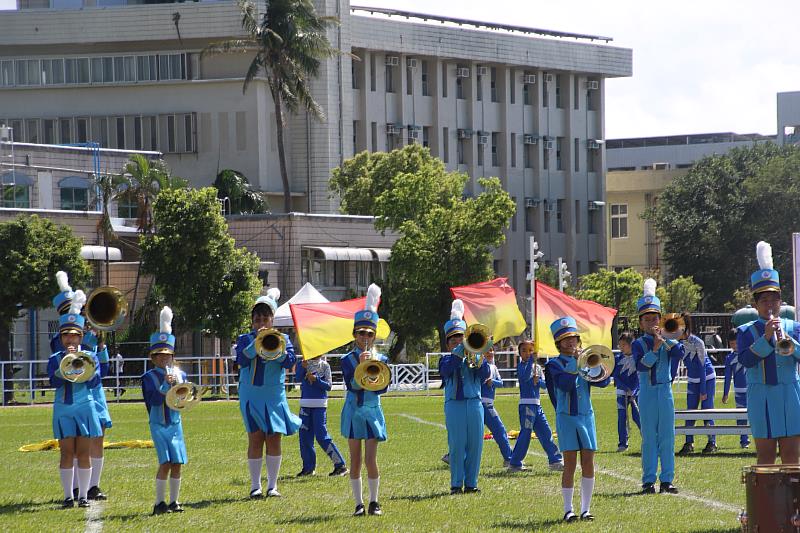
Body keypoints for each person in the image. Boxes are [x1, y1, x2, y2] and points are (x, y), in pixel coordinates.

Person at [737, 241, 800, 465]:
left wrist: (788, 339)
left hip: (790, 393)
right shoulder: (745, 331)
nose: (770, 304)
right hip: (761, 394)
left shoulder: (793, 327)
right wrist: (765, 338)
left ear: (781, 301)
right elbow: (746, 360)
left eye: (774, 299)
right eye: (764, 300)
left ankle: (792, 490)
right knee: (765, 457)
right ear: (756, 305)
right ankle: (767, 491)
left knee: (792, 456)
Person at [236, 288, 301, 498]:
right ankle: (255, 486)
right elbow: (241, 360)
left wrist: (277, 348)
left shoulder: (283, 338)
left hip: (274, 396)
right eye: (257, 319)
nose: (261, 323)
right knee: (255, 438)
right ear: (252, 321)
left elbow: (290, 362)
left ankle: (272, 486)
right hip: (251, 395)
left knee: (274, 438)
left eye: (265, 319)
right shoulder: (245, 339)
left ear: (272, 320)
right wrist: (255, 344)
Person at [547, 316, 610, 522]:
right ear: (558, 343)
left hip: (586, 416)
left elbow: (603, 382)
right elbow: (564, 384)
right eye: (565, 339)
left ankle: (585, 509)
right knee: (570, 464)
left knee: (588, 461)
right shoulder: (554, 364)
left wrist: (591, 363)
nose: (570, 342)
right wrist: (577, 363)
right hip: (567, 418)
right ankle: (568, 509)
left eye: (573, 338)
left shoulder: (584, 360)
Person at [47, 290, 103, 509]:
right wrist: (66, 364)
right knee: (66, 453)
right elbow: (54, 382)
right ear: (61, 338)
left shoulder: (91, 356)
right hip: (64, 408)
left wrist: (80, 361)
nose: (69, 339)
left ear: (80, 337)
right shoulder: (55, 358)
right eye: (65, 335)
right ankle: (68, 496)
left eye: (74, 335)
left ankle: (84, 496)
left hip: (85, 407)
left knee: (83, 452)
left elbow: (94, 381)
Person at [340, 284, 389, 516]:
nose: (365, 337)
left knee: (370, 459)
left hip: (372, 411)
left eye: (369, 333)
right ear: (354, 335)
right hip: (353, 412)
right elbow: (351, 385)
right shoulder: (347, 359)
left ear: (374, 335)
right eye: (361, 333)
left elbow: (383, 388)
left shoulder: (382, 359)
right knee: (355, 460)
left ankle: (374, 502)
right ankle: (358, 503)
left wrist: (373, 366)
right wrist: (360, 365)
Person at [633, 278, 684, 494]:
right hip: (647, 392)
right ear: (641, 323)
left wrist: (667, 339)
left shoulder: (668, 340)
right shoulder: (638, 344)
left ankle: (667, 480)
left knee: (667, 437)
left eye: (655, 318)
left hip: (665, 392)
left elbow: (680, 353)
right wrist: (654, 348)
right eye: (647, 319)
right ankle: (648, 481)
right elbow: (641, 366)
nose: (651, 322)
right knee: (649, 438)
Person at [439, 299, 489, 495]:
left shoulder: (475, 356)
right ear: (448, 344)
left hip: (475, 403)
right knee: (457, 445)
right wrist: (459, 352)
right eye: (453, 341)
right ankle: (456, 484)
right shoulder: (445, 359)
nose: (458, 343)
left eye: (461, 339)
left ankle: (471, 483)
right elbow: (447, 370)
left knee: (476, 444)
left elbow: (484, 375)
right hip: (455, 405)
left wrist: (479, 357)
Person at [141, 307, 186, 515]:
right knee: (165, 462)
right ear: (153, 357)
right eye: (159, 355)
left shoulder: (180, 374)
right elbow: (152, 400)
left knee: (177, 462)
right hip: (159, 423)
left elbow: (183, 399)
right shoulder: (148, 377)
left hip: (175, 423)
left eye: (167, 355)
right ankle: (159, 503)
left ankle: (174, 501)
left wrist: (178, 387)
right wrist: (165, 385)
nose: (163, 359)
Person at [508, 339, 563, 471]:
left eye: (530, 350)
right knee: (526, 434)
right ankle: (515, 463)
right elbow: (524, 376)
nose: (527, 353)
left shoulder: (537, 367)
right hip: (526, 405)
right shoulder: (521, 366)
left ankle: (555, 460)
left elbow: (544, 385)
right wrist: (531, 363)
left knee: (545, 432)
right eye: (524, 351)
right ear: (519, 353)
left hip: (537, 406)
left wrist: (539, 381)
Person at [296, 354, 348, 477]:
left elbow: (329, 386)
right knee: (304, 437)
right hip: (305, 405)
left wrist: (316, 380)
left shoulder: (325, 365)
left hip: (320, 405)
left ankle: (340, 465)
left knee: (322, 436)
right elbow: (297, 378)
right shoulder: (303, 363)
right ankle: (308, 468)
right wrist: (302, 367)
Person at [677, 313, 718, 455]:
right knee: (690, 411)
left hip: (707, 378)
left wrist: (703, 390)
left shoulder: (697, 342)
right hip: (692, 379)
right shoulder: (677, 343)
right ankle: (689, 443)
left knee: (707, 410)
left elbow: (702, 366)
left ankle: (712, 442)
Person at [478, 347, 512, 467]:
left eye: (491, 350)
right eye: (487, 351)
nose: (490, 353)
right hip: (483, 404)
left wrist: (492, 381)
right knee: (499, 430)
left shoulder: (493, 367)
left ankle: (453, 456)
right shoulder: (479, 366)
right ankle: (509, 458)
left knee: (474, 434)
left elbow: (501, 383)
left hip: (488, 403)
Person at [722, 328, 749, 449]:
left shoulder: (749, 354)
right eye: (732, 343)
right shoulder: (729, 358)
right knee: (741, 416)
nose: (735, 346)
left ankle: (760, 439)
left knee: (755, 415)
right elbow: (728, 377)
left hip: (751, 390)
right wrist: (725, 393)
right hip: (739, 391)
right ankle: (744, 440)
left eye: (737, 343)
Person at [613, 332, 641, 452]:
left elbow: (640, 376)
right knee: (622, 417)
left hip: (635, 392)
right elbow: (616, 376)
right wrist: (625, 388)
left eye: (624, 345)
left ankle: (647, 439)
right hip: (621, 392)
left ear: (631, 345)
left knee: (638, 416)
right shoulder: (617, 358)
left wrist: (634, 391)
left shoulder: (638, 357)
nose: (621, 347)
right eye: (620, 345)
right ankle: (622, 443)